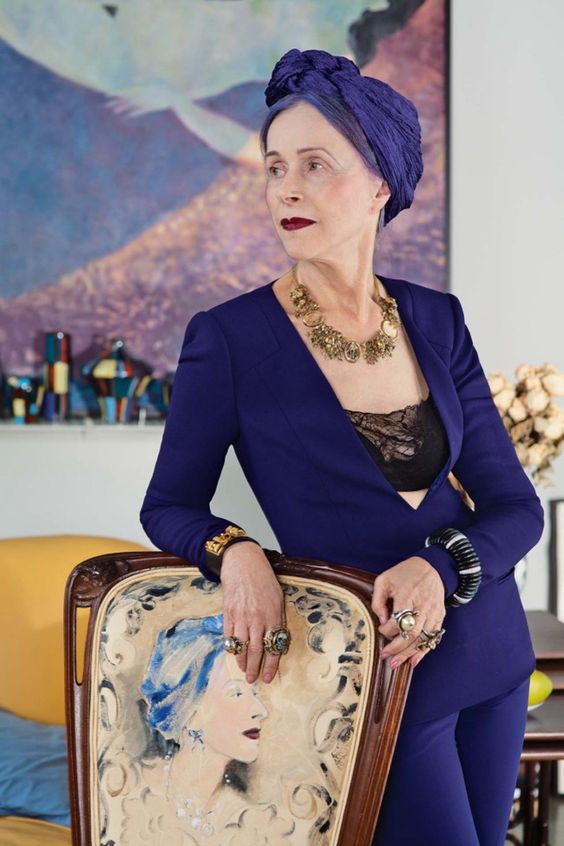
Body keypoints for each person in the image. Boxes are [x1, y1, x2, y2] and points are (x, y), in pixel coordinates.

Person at [140, 48, 544, 846]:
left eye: (315, 165)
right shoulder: (229, 339)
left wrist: (439, 567)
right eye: (275, 167)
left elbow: (515, 508)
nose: (285, 188)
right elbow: (169, 506)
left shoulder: (437, 319)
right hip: (372, 678)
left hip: (493, 656)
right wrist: (238, 553)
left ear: (379, 186)